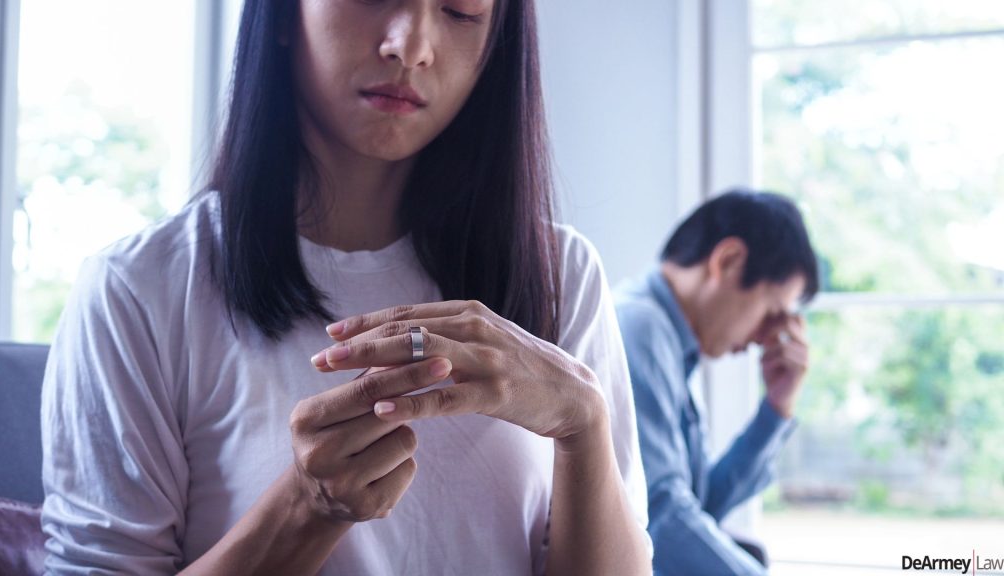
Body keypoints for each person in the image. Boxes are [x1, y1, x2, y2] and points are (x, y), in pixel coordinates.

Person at [40, 1, 651, 574]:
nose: (410, 46)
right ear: (282, 15)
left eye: (460, 11)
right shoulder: (138, 292)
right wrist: (306, 510)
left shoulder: (560, 273)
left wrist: (584, 425)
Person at [614, 189, 820, 576]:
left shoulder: (675, 345)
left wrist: (776, 409)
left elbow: (700, 504)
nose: (767, 336)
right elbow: (660, 519)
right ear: (728, 261)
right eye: (771, 312)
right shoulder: (640, 328)